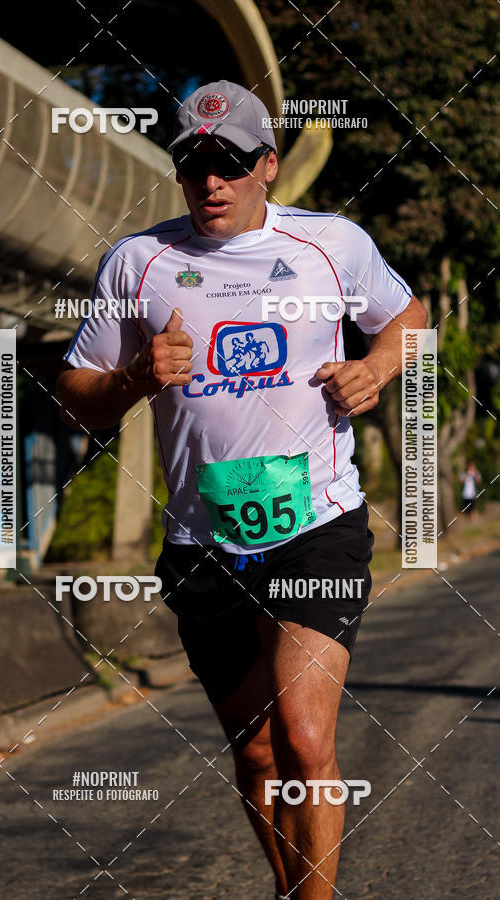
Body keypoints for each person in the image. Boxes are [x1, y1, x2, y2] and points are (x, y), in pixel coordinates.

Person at [57, 80, 428, 899]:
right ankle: (291, 888)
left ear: (268, 165)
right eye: (192, 163)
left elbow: (408, 316)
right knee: (256, 750)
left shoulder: (335, 245)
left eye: (228, 163)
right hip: (202, 543)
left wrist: (374, 368)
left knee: (302, 735)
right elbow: (74, 395)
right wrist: (130, 379)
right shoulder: (139, 263)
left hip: (316, 524)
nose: (209, 182)